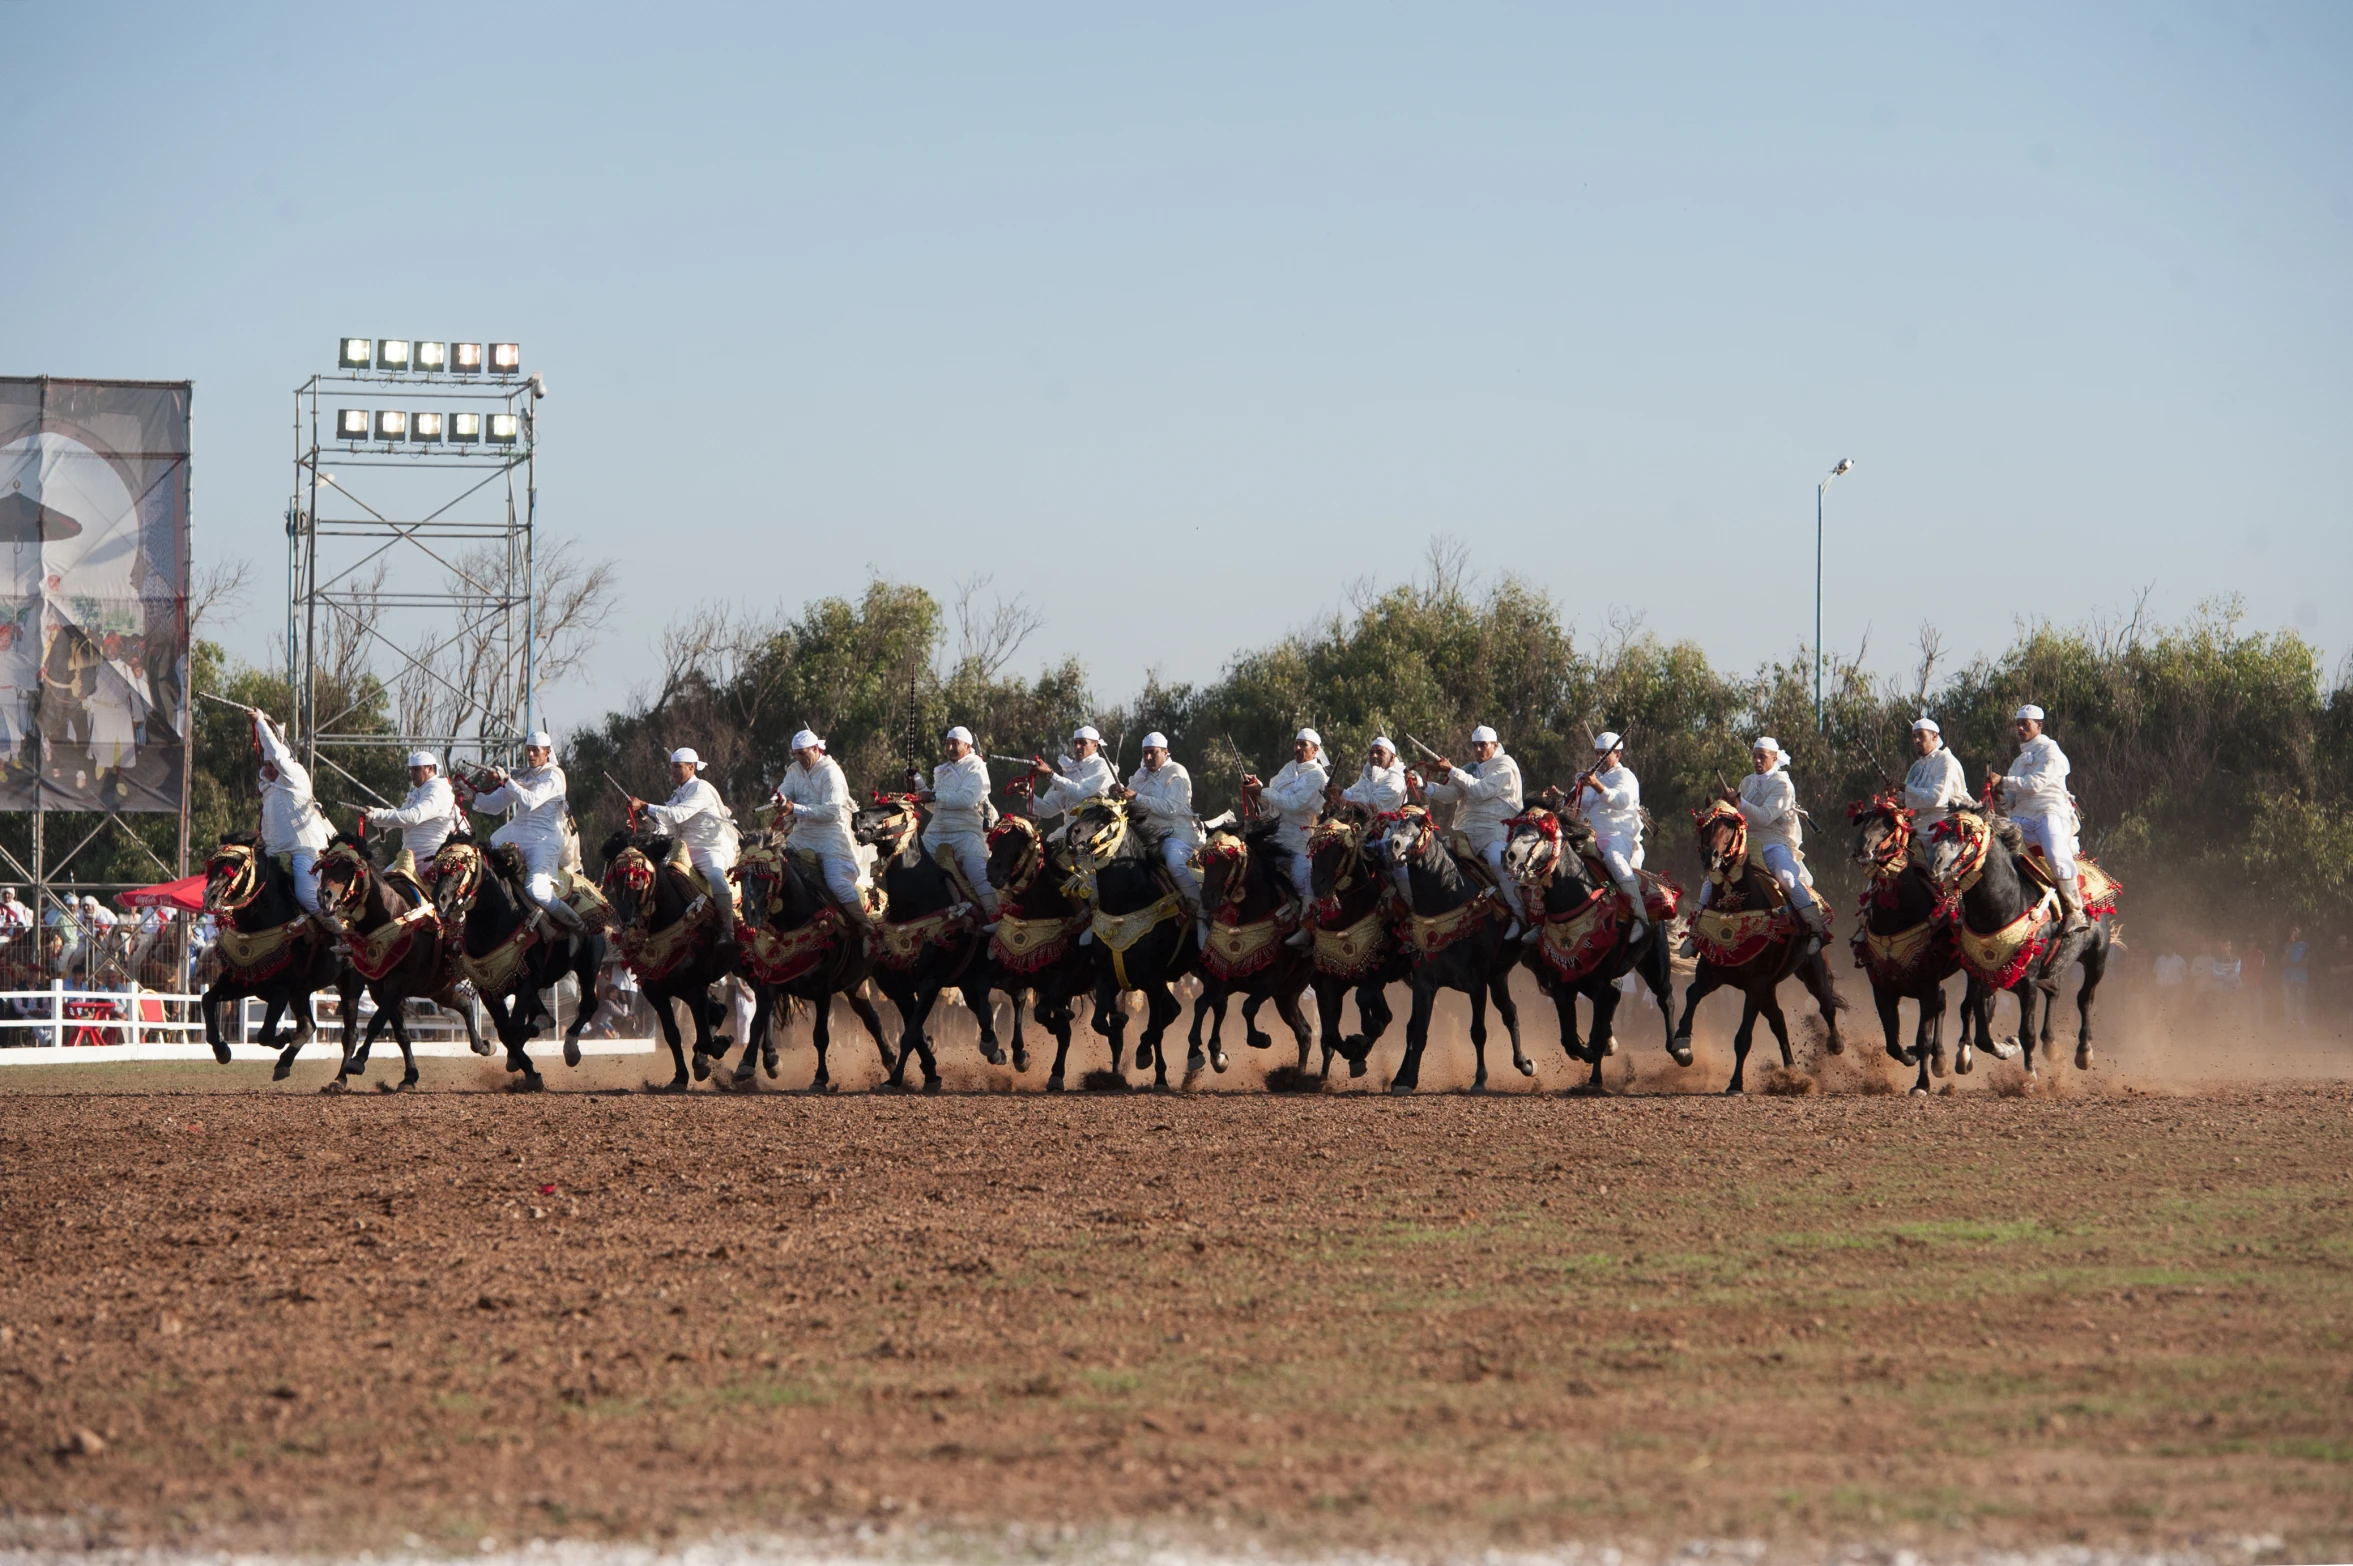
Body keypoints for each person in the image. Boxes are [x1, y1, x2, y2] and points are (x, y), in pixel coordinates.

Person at [631, 747, 742, 959]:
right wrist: (645, 824)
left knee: (717, 879)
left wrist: (645, 805)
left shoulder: (702, 788)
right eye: (671, 766)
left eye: (677, 767)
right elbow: (669, 828)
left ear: (691, 767)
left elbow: (678, 814)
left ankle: (728, 930)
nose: (672, 771)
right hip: (683, 850)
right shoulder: (678, 794)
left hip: (710, 847)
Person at [471, 730, 586, 933]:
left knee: (536, 890)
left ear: (547, 752)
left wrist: (506, 780)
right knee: (487, 854)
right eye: (528, 750)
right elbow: (494, 805)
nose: (531, 755)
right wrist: (470, 794)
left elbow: (530, 801)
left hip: (545, 839)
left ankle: (577, 926)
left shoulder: (554, 776)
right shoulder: (523, 775)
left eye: (536, 751)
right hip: (519, 831)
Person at [1420, 724, 1529, 939]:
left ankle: (1520, 917)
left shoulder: (1505, 765)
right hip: (1464, 834)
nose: (1478, 750)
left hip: (1495, 833)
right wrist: (1424, 785)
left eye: (1483, 745)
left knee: (1500, 863)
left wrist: (1451, 770)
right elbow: (1450, 794)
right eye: (1475, 746)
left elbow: (1481, 791)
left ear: (1495, 745)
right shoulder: (1470, 767)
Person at [1990, 705, 2087, 935]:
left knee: (2054, 852)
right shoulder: (2018, 762)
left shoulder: (2051, 752)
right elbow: (2011, 802)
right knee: (1992, 848)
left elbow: (2036, 784)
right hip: (2021, 817)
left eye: (2026, 723)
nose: (2020, 728)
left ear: (2039, 725)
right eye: (2018, 724)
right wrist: (2000, 796)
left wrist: (2002, 780)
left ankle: (2076, 911)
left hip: (2050, 812)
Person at [1719, 736, 1826, 939]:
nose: (1757, 761)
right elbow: (1741, 816)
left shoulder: (1783, 785)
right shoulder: (1747, 781)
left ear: (1774, 758)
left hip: (1774, 842)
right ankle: (1697, 928)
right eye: (1754, 756)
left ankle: (1815, 929)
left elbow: (1765, 817)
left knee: (1786, 878)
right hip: (1746, 844)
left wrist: (1739, 802)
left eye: (1762, 757)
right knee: (1716, 875)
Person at [771, 729, 873, 936]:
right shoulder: (794, 770)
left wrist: (794, 808)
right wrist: (778, 800)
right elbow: (785, 791)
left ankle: (867, 927)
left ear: (816, 749)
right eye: (796, 754)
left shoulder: (831, 772)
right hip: (802, 835)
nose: (799, 758)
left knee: (837, 883)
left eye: (803, 753)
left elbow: (831, 812)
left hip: (831, 836)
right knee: (773, 868)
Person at [1248, 728, 1331, 945]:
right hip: (1273, 836)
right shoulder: (1287, 769)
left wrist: (1262, 791)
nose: (1297, 748)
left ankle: (1307, 928)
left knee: (1305, 881)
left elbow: (1295, 805)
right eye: (1296, 743)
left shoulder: (1317, 775)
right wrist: (1255, 790)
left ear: (1315, 750)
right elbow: (1272, 803)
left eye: (1303, 745)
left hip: (1299, 841)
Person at [1123, 732, 1204, 938]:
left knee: (1175, 862)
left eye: (1153, 753)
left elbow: (1171, 809)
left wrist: (1137, 796)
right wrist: (1121, 794)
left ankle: (1201, 911)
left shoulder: (1177, 771)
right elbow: (1129, 800)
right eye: (1145, 753)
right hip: (1144, 836)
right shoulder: (1140, 774)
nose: (1148, 758)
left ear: (1165, 752)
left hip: (1175, 833)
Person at [254, 710, 332, 922]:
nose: (269, 769)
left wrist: (260, 723)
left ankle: (342, 935)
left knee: (306, 896)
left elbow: (277, 754)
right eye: (266, 765)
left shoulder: (295, 775)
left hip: (305, 851)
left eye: (273, 765)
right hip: (275, 852)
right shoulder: (269, 789)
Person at [916, 726, 998, 926]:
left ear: (967, 746)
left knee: (976, 870)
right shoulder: (943, 770)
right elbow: (935, 807)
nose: (950, 747)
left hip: (966, 831)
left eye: (955, 743)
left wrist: (933, 795)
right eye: (947, 743)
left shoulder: (976, 767)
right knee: (914, 863)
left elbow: (965, 799)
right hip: (937, 831)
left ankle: (995, 917)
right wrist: (918, 784)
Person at [1573, 730, 1650, 933]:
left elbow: (1620, 801)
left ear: (1618, 755)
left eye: (1604, 753)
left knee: (1615, 859)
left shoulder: (1627, 777)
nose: (1599, 758)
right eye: (1597, 753)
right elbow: (1582, 806)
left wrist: (1596, 784)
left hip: (1618, 835)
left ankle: (1640, 918)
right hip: (1588, 834)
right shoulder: (1592, 775)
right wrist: (1569, 795)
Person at [366, 750, 461, 881]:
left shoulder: (437, 789)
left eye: (416, 769)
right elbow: (401, 815)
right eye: (410, 770)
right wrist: (376, 818)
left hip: (431, 859)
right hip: (410, 858)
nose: (412, 774)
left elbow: (413, 817)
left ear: (429, 768)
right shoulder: (418, 791)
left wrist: (378, 815)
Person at [1902, 717, 1969, 851]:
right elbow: (1906, 795)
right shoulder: (1917, 766)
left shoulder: (1947, 761)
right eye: (1914, 736)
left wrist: (1903, 788)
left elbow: (1936, 797)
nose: (1916, 740)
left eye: (1921, 735)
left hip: (1943, 828)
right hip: (1917, 828)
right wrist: (1895, 795)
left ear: (1934, 736)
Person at [1028, 725, 1116, 823]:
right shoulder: (1070, 770)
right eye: (1075, 743)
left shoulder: (1101, 765)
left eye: (1082, 743)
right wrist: (1027, 793)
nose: (1077, 747)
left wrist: (1050, 774)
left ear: (1095, 745)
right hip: (1070, 828)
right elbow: (1050, 810)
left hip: (1094, 826)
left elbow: (1081, 793)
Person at [1338, 737, 1410, 816]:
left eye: (1380, 753)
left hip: (1388, 827)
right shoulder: (1367, 776)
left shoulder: (1395, 779)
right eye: (1371, 753)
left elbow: (1373, 805)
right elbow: (1350, 792)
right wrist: (1336, 794)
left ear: (1392, 758)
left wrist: (1341, 793)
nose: (1374, 756)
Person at [2282, 925, 2311, 1032]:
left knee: (2300, 1005)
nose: (2293, 933)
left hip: (2301, 980)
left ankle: (2303, 1030)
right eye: (2292, 931)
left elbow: (2305, 962)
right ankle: (2288, 1030)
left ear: (2300, 932)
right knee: (2288, 1004)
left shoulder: (2305, 946)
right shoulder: (2286, 946)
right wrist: (2289, 947)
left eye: (2296, 931)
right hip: (2287, 979)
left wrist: (2291, 964)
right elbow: (2282, 962)